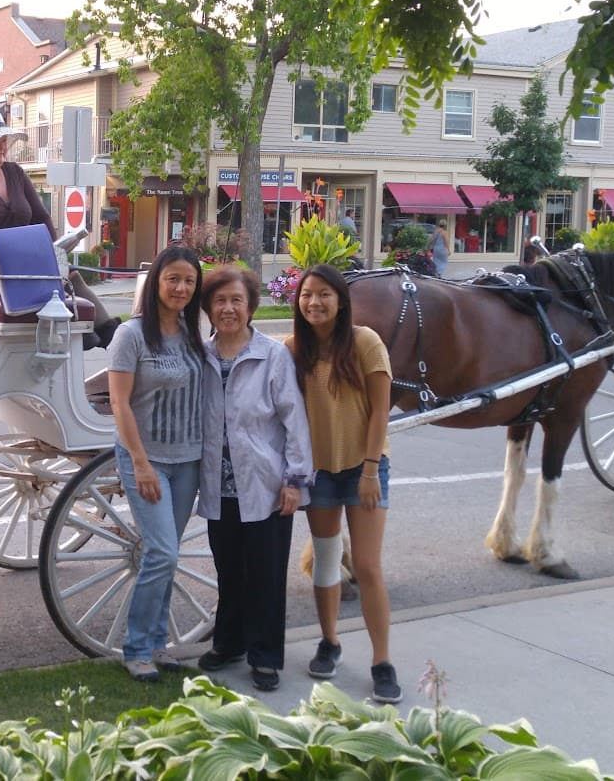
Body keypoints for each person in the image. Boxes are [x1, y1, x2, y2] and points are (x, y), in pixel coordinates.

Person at [195, 265, 313, 691]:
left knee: (265, 574)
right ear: (208, 308)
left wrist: (295, 480)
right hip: (219, 487)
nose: (228, 309)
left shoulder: (272, 355)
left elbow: (294, 420)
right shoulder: (201, 356)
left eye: (236, 301)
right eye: (220, 301)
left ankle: (265, 656)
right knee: (228, 571)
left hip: (266, 485)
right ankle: (229, 643)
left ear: (250, 308)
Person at [289, 264, 401, 704]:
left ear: (340, 300)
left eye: (323, 295)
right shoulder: (294, 350)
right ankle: (330, 641)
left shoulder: (364, 342)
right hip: (319, 474)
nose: (314, 302)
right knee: (327, 561)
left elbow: (380, 411)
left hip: (363, 469)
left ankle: (382, 662)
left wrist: (371, 470)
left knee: (369, 567)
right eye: (306, 295)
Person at [0, 103, 119, 347]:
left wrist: (54, 252)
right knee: (44, 277)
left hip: (20, 259)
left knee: (67, 274)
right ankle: (82, 331)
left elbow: (40, 218)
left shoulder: (14, 173)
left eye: (4, 139)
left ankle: (108, 334)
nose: (2, 146)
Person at [105, 245, 205, 681]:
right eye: (172, 279)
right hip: (146, 460)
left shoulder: (192, 331)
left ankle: (158, 642)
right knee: (162, 551)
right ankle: (137, 647)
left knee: (168, 554)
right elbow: (119, 404)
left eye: (188, 281)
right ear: (156, 284)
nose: (181, 288)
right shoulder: (130, 336)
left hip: (188, 460)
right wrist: (141, 464)